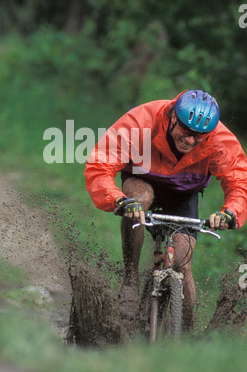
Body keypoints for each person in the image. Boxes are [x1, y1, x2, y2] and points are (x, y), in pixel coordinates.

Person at [84, 89, 247, 329]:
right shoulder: (141, 121)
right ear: (173, 117)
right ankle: (130, 279)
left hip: (182, 196)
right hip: (142, 182)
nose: (190, 140)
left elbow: (239, 181)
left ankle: (184, 342)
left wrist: (231, 212)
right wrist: (117, 199)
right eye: (186, 131)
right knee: (138, 200)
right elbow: (100, 165)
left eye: (199, 136)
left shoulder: (219, 139)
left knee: (182, 263)